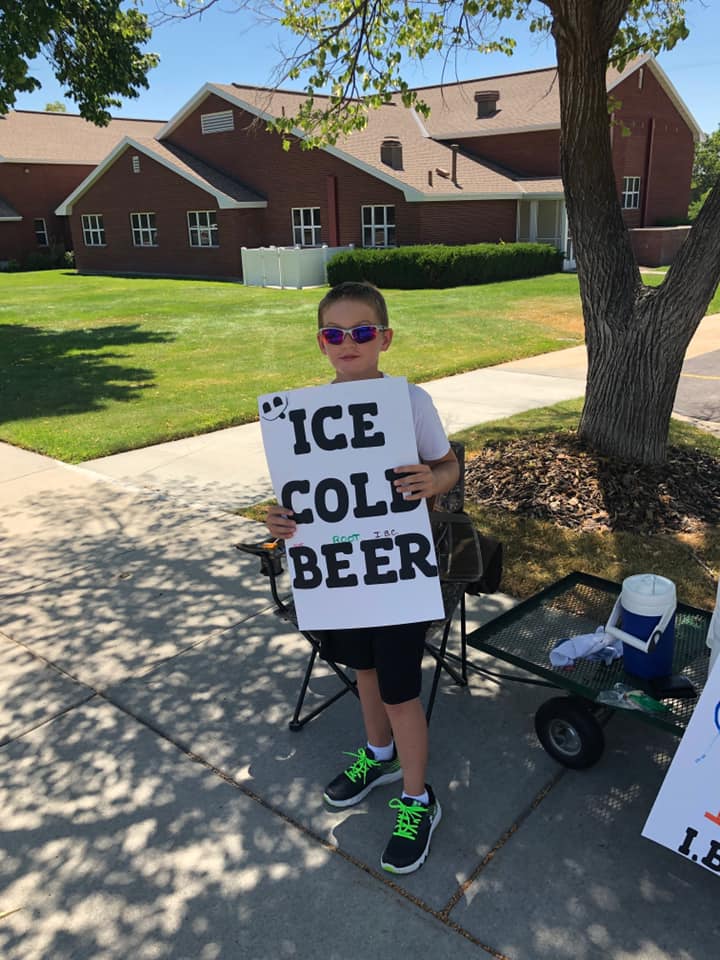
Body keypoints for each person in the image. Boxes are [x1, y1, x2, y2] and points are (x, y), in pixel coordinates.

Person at [266, 280, 459, 875]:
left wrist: (437, 481)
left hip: (397, 575)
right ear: (321, 344)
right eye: (334, 333)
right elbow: (299, 503)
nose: (347, 343)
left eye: (362, 332)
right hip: (341, 577)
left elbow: (447, 463)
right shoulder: (303, 415)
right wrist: (281, 522)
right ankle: (379, 756)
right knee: (365, 671)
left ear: (385, 339)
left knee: (402, 691)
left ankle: (418, 799)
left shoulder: (410, 403)